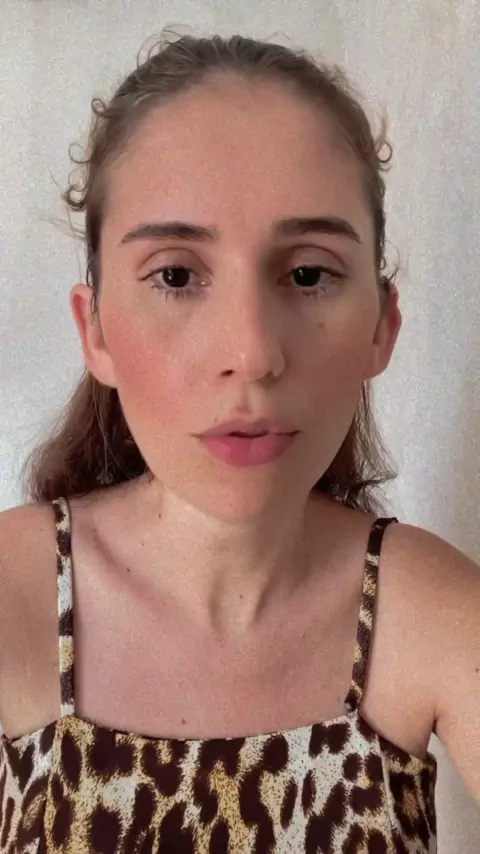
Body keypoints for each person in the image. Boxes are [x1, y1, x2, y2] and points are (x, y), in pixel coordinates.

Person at [0, 30, 478, 854]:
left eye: (308, 274)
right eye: (176, 276)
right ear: (96, 329)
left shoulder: (432, 612)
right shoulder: (12, 599)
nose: (252, 353)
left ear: (381, 323)